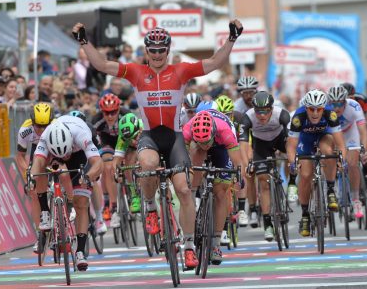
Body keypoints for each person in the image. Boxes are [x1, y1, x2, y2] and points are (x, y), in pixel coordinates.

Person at [72, 18, 244, 269]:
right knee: (148, 164)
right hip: (151, 135)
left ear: (168, 50)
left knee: (185, 190)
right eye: (151, 50)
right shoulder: (136, 72)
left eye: (161, 50)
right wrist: (84, 42)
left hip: (174, 137)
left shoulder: (181, 70)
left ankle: (188, 246)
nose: (156, 54)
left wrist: (232, 38)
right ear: (146, 51)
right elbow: (101, 64)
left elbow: (215, 62)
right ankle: (151, 208)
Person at [31, 114, 103, 271]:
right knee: (40, 172)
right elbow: (37, 163)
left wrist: (88, 177)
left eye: (65, 153)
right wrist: (32, 179)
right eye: (62, 154)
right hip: (53, 154)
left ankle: (80, 252)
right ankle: (45, 211)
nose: (65, 156)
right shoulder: (45, 136)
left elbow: (98, 163)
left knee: (81, 202)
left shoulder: (81, 134)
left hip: (78, 155)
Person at [183, 110, 248, 265]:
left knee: (221, 192)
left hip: (221, 147)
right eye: (201, 141)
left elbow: (238, 163)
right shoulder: (187, 130)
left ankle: (216, 243)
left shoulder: (225, 131)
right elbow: (182, 156)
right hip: (195, 146)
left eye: (206, 142)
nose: (205, 145)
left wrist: (240, 177)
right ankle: (194, 200)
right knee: (195, 163)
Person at [286, 89, 346, 237]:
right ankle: (305, 215)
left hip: (324, 136)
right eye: (311, 109)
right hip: (305, 140)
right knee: (305, 175)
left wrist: (342, 160)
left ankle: (331, 190)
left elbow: (341, 144)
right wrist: (293, 163)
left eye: (318, 109)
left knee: (328, 151)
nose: (315, 113)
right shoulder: (298, 117)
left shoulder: (330, 114)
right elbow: (291, 146)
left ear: (323, 108)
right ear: (306, 108)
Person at [238, 91, 291, 240]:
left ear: (271, 109)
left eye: (265, 111)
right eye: (258, 111)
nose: (261, 115)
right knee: (263, 180)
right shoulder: (247, 117)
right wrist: (246, 163)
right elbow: (243, 144)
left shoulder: (282, 115)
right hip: (261, 146)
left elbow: (292, 140)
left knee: (294, 159)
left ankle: (291, 183)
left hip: (280, 140)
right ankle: (268, 223)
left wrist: (292, 157)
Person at [15, 103, 59, 251]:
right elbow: (20, 157)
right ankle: (40, 234)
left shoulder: (56, 126)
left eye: (44, 126)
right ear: (32, 122)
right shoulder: (25, 130)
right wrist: (27, 173)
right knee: (34, 192)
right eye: (38, 126)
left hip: (54, 148)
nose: (41, 130)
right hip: (37, 151)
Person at [327, 85, 367, 219]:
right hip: (333, 134)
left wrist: (364, 149)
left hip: (350, 133)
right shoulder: (325, 109)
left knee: (352, 164)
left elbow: (363, 131)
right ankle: (329, 191)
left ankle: (356, 199)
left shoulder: (354, 106)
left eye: (340, 103)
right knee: (329, 158)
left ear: (345, 101)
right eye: (334, 104)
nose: (337, 107)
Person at [90, 93, 130, 229]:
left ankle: (133, 192)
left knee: (131, 162)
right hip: (106, 142)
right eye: (107, 113)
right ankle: (112, 206)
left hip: (125, 140)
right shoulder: (96, 121)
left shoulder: (126, 115)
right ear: (102, 112)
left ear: (119, 109)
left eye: (113, 112)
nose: (110, 116)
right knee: (107, 168)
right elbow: (91, 141)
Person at [215, 94, 249, 226]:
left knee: (241, 168)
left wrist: (241, 165)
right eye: (222, 114)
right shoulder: (213, 120)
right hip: (219, 147)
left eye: (228, 115)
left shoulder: (239, 118)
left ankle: (241, 210)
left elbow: (242, 143)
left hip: (234, 145)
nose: (225, 118)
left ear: (232, 114)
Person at [111, 113, 144, 213]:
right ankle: (134, 195)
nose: (133, 141)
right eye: (129, 139)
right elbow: (116, 160)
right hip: (131, 150)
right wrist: (115, 172)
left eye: (134, 137)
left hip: (146, 144)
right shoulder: (122, 138)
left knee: (143, 156)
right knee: (127, 162)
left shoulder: (145, 126)